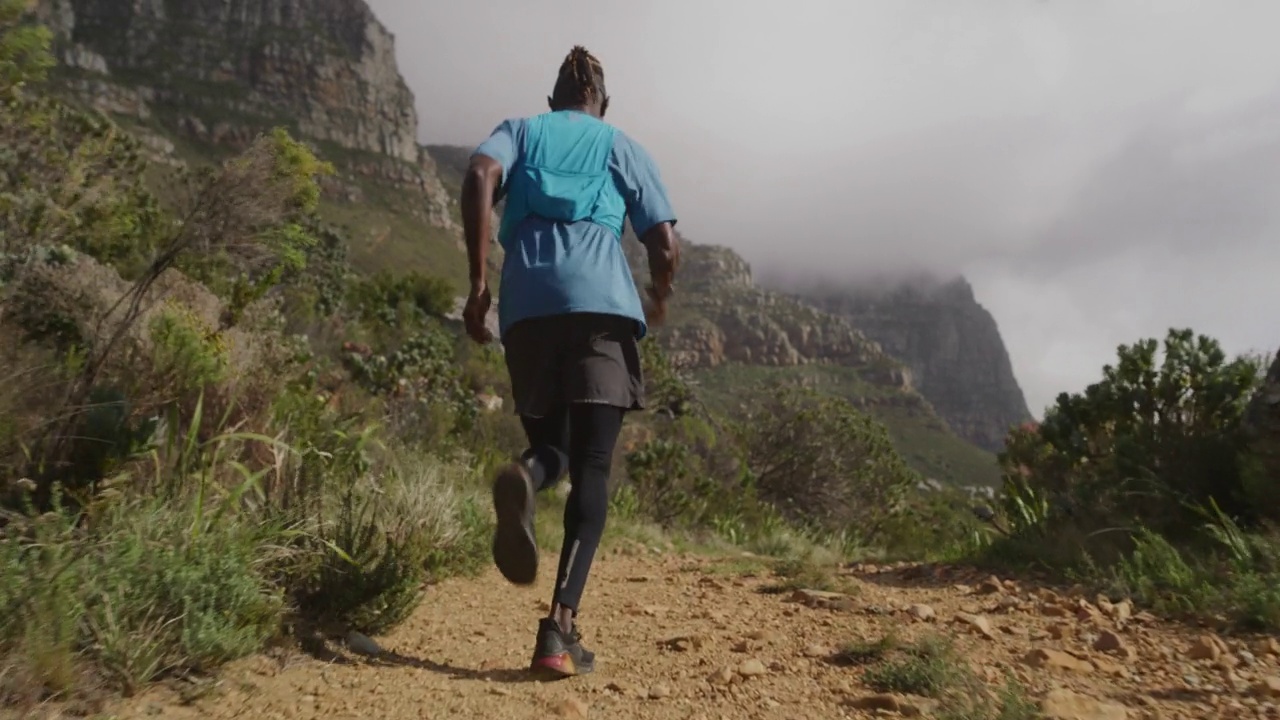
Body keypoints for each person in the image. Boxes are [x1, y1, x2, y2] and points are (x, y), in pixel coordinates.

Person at [459, 45, 680, 678]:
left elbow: (478, 177)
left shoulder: (522, 132)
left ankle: (527, 477)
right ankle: (558, 632)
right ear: (600, 103)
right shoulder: (619, 144)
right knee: (592, 465)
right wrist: (660, 294)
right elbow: (662, 241)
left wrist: (478, 284)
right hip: (600, 309)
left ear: (552, 99)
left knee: (551, 446)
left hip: (526, 309)